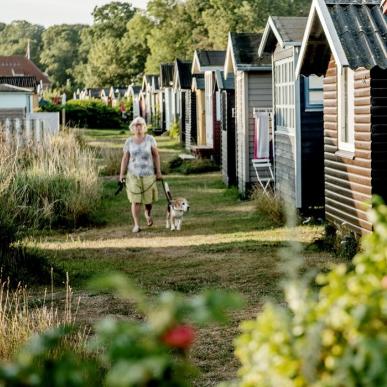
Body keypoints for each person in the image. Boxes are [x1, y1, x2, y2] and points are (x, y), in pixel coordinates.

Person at [119, 116, 162, 233]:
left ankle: (147, 213)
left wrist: (158, 172)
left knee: (148, 201)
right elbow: (125, 157)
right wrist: (121, 174)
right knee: (135, 200)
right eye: (136, 125)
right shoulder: (129, 141)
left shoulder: (150, 139)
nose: (138, 127)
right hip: (133, 175)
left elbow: (156, 155)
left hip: (148, 174)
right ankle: (136, 225)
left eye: (140, 125)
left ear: (144, 127)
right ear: (132, 128)